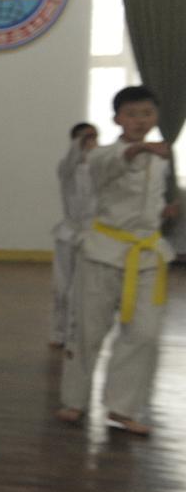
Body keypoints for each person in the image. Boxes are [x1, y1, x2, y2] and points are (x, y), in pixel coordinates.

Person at [57, 86, 180, 436]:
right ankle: (74, 401)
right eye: (132, 114)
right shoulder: (101, 155)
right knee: (88, 331)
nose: (140, 121)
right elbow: (116, 163)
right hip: (103, 252)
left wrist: (165, 211)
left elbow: (150, 201)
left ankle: (122, 407)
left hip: (147, 257)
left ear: (155, 117)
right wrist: (140, 148)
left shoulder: (160, 160)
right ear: (117, 119)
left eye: (146, 114)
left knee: (144, 334)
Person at [49, 123, 97, 349]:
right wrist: (78, 145)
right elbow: (71, 160)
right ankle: (59, 332)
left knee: (84, 289)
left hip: (93, 234)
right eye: (83, 138)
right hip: (68, 233)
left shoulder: (102, 166)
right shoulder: (66, 168)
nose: (88, 141)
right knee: (62, 287)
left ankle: (76, 334)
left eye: (92, 137)